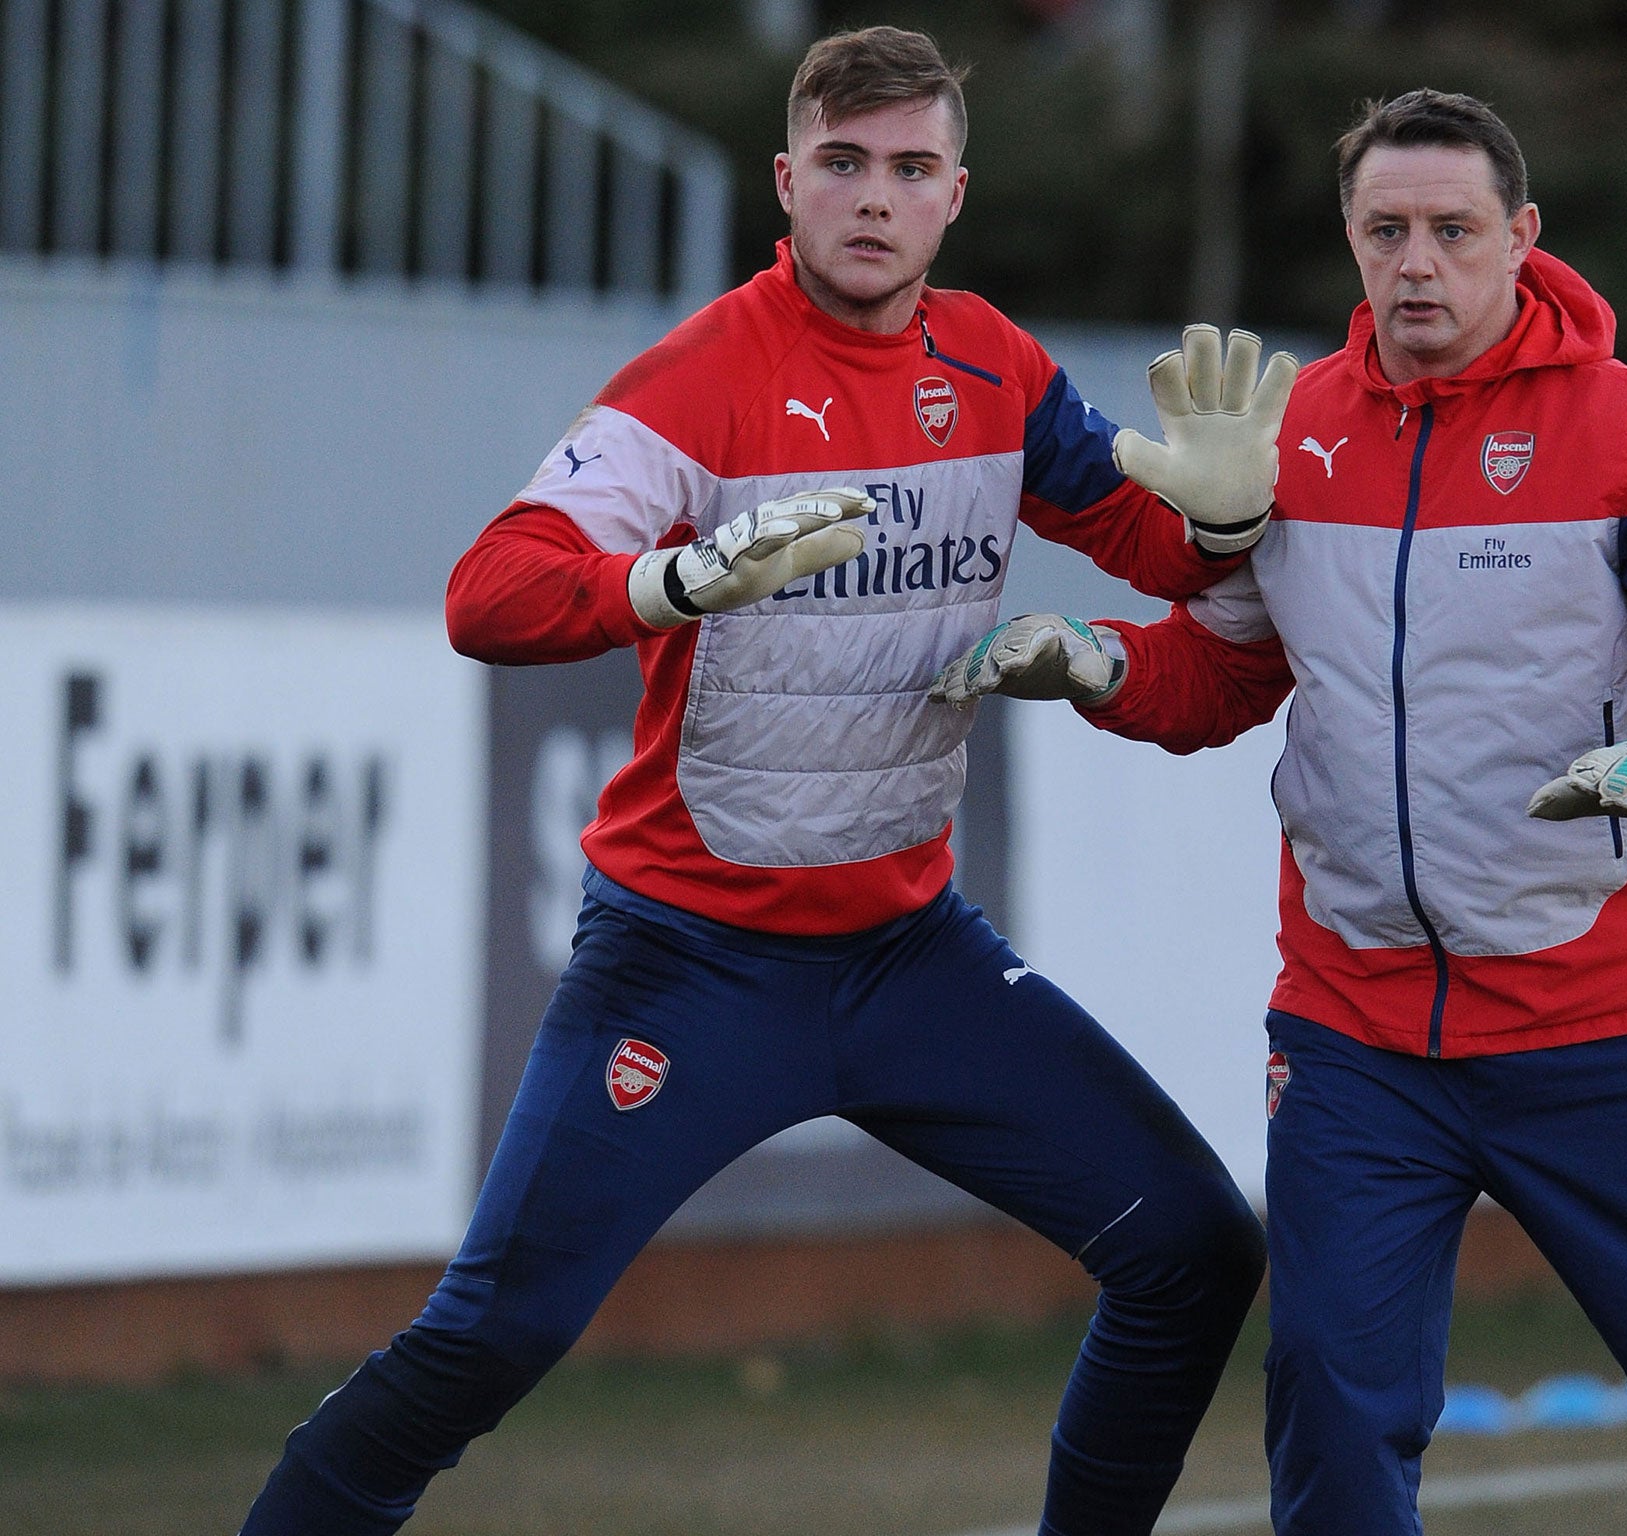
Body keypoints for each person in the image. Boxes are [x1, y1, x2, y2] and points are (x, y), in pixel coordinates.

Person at [238, 26, 1297, 1536]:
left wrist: (1222, 525)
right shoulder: (702, 376)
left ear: (954, 195)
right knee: (493, 1339)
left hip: (909, 956)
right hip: (686, 966)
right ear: (788, 182)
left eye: (911, 170)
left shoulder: (992, 364)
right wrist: (672, 581)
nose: (877, 198)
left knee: (1194, 1249)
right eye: (847, 166)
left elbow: (1151, 552)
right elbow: (491, 591)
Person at [934, 89, 1627, 1536]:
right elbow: (1228, 672)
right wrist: (1102, 663)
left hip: (1611, 1023)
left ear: (1523, 237)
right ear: (1351, 241)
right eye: (1387, 231)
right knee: (1330, 1399)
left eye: (1452, 230)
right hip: (1358, 1030)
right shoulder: (1296, 433)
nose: (1417, 263)